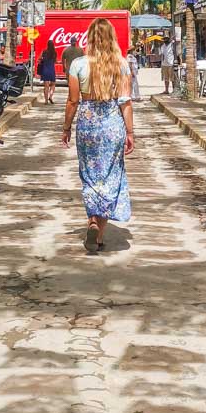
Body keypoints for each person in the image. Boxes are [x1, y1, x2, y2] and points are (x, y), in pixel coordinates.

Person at [62, 18, 133, 253]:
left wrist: (66, 128)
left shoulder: (78, 65)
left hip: (88, 125)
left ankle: (92, 221)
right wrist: (130, 132)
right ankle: (98, 233)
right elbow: (125, 101)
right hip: (112, 124)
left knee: (90, 175)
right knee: (110, 176)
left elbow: (73, 101)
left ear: (90, 38)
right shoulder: (121, 64)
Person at [37, 39, 57, 104]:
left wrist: (43, 59)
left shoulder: (44, 52)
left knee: (46, 86)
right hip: (52, 70)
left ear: (47, 45)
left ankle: (46, 101)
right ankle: (50, 96)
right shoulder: (54, 53)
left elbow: (39, 59)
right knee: (53, 84)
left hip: (45, 70)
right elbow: (55, 61)